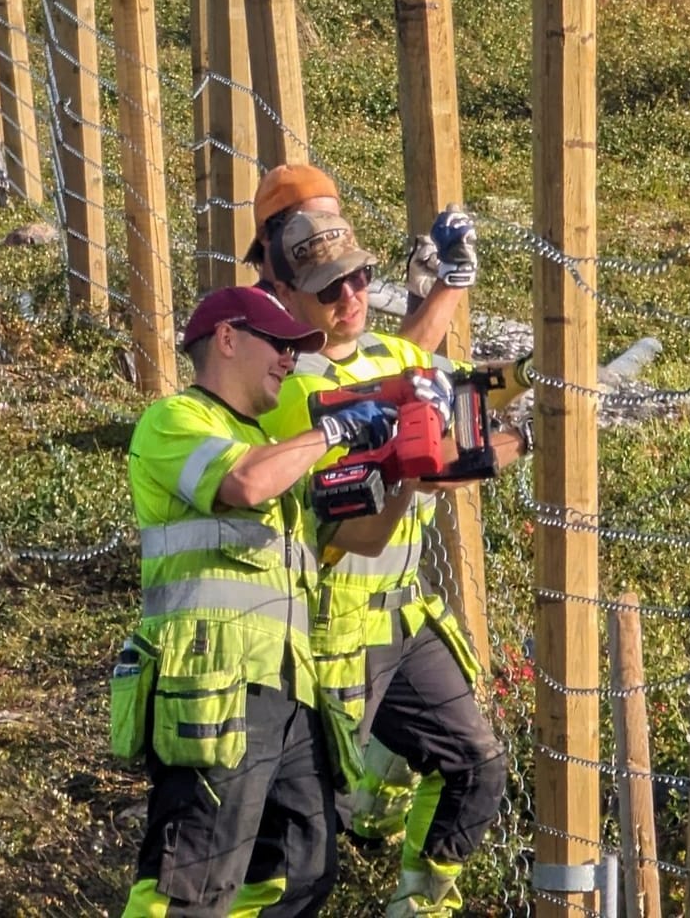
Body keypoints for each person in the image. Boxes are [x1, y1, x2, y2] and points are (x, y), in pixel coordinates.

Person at [256, 210, 529, 916]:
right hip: (327, 633)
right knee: (304, 844)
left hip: (400, 617)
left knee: (475, 764)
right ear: (286, 294)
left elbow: (459, 388)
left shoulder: (389, 354)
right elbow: (381, 514)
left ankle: (419, 905)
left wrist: (535, 378)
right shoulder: (294, 393)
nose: (349, 298)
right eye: (327, 289)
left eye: (358, 279)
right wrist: (487, 451)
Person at [120, 286, 416, 917]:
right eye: (279, 345)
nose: (290, 360)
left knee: (300, 868)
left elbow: (360, 539)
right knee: (193, 881)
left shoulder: (280, 452)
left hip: (291, 689)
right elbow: (244, 481)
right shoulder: (176, 420)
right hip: (214, 689)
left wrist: (408, 467)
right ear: (227, 339)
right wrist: (331, 429)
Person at [242, 164, 476, 354]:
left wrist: (419, 300)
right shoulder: (258, 321)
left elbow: (384, 369)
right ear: (266, 236)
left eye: (332, 219)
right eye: (310, 222)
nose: (328, 233)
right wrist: (452, 280)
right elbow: (378, 386)